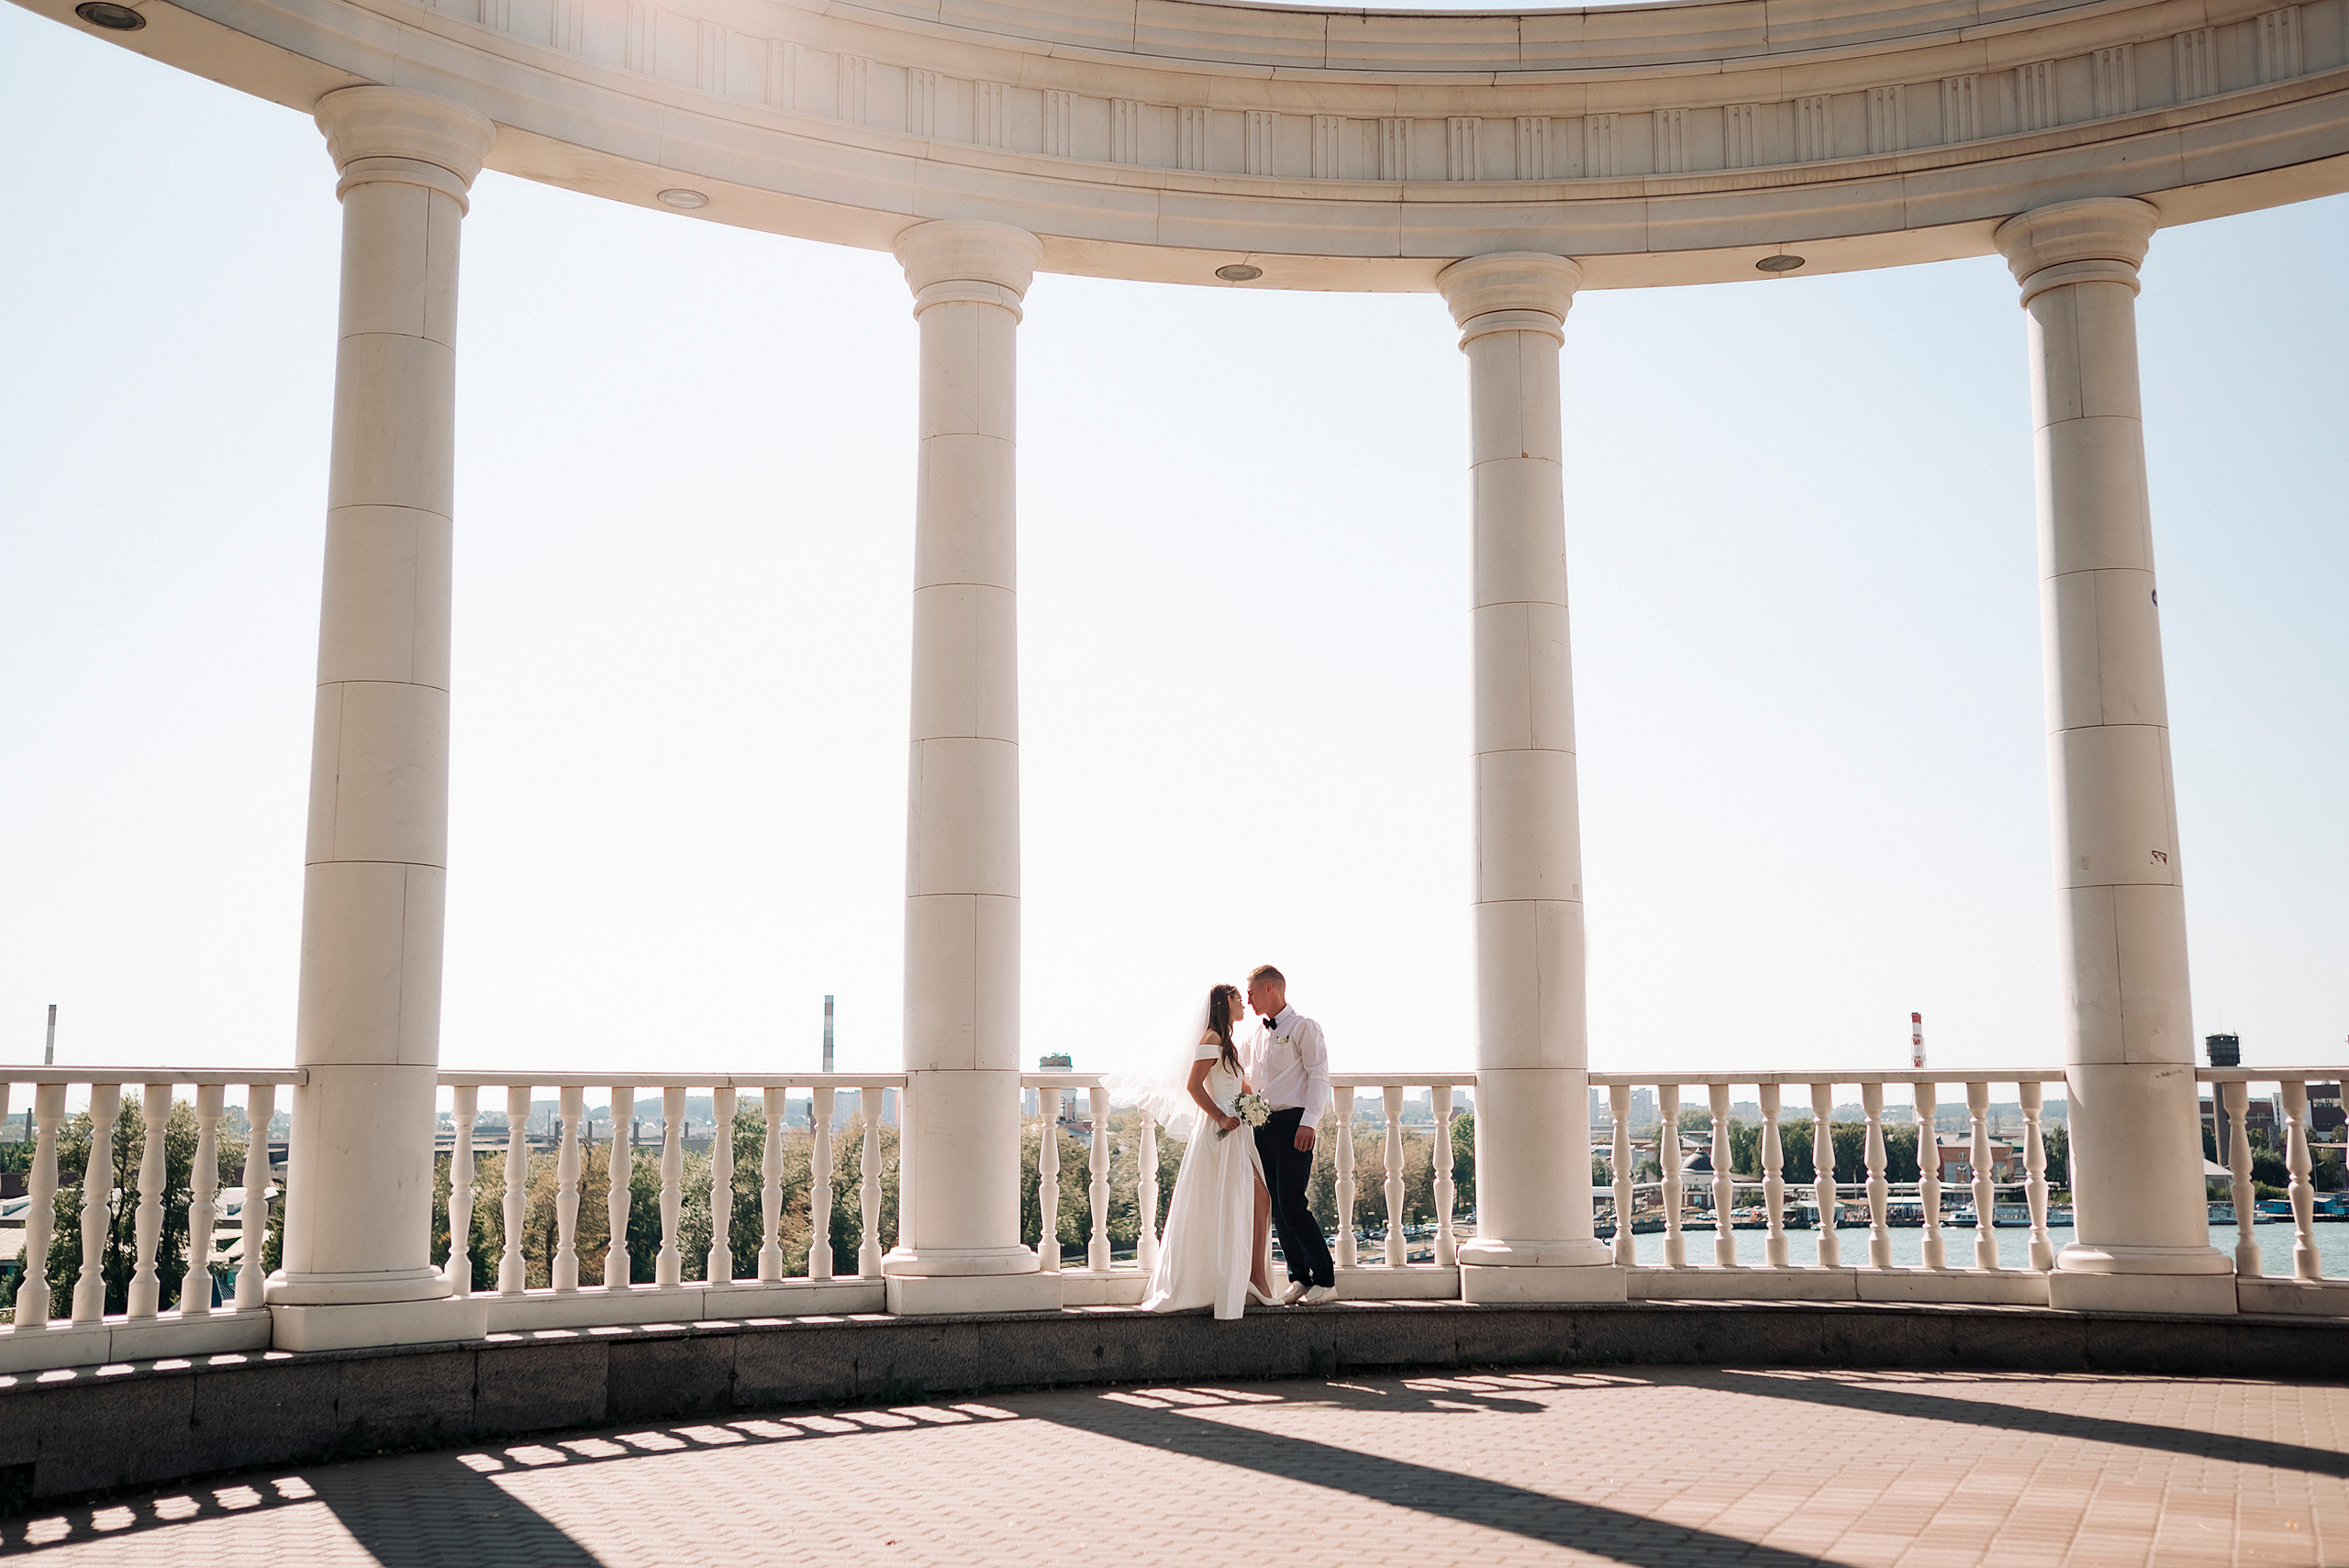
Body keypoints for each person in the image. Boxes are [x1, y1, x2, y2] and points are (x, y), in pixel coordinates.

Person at [1140, 983, 1284, 1318]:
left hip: (1238, 1133)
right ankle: (1247, 1280)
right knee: (1246, 1200)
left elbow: (1238, 1085)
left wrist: (1254, 1105)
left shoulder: (1226, 1041)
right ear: (1226, 1002)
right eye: (1239, 999)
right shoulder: (1212, 1038)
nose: (1244, 1004)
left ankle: (1252, 1277)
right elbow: (1194, 1085)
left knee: (1255, 1200)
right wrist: (1220, 1116)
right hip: (1220, 1133)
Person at [1243, 964, 1337, 1304]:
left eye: (1252, 993)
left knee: (1294, 1205)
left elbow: (1318, 1075)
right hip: (1263, 1126)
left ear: (1269, 988)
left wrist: (1309, 1121)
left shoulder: (1304, 1027)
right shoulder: (1256, 1035)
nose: (1248, 1001)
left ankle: (1326, 1280)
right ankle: (1299, 1278)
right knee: (1277, 1210)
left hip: (1295, 1124)